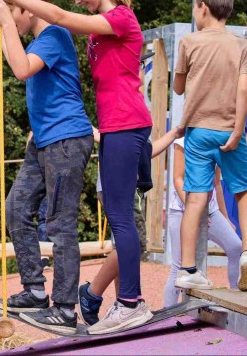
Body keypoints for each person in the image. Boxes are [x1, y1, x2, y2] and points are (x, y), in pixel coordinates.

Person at [0, 0, 154, 334]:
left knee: (113, 220)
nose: (77, 0)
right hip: (107, 128)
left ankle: (125, 301)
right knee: (23, 209)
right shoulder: (97, 32)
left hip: (119, 128)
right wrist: (2, 17)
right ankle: (56, 292)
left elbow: (52, 27)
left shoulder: (118, 18)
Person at [0, 0, 94, 334]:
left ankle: (64, 308)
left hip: (66, 140)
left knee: (61, 225)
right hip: (44, 142)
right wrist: (2, 26)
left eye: (15, 12)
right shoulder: (37, 39)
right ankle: (33, 289)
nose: (14, 18)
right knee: (16, 208)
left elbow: (20, 69)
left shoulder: (54, 36)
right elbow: (16, 57)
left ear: (28, 9)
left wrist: (4, 25)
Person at [172, 0, 247, 292]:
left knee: (196, 197)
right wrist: (238, 130)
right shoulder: (242, 46)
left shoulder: (189, 42)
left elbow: (178, 88)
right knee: (243, 191)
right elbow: (244, 89)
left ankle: (188, 268)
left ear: (203, 8)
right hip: (228, 130)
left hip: (198, 131)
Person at [78, 126, 183, 325]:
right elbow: (100, 135)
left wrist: (174, 133)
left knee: (123, 244)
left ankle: (124, 302)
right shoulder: (123, 119)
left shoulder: (133, 122)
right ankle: (91, 293)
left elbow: (147, 151)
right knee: (135, 244)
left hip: (123, 186)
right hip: (122, 185)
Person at [163, 137, 242, 306]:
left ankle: (235, 293)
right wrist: (195, 211)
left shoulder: (215, 139)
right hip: (182, 209)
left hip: (210, 210)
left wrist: (226, 217)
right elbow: (178, 179)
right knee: (178, 265)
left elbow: (217, 184)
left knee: (236, 246)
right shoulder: (183, 141)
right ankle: (167, 311)